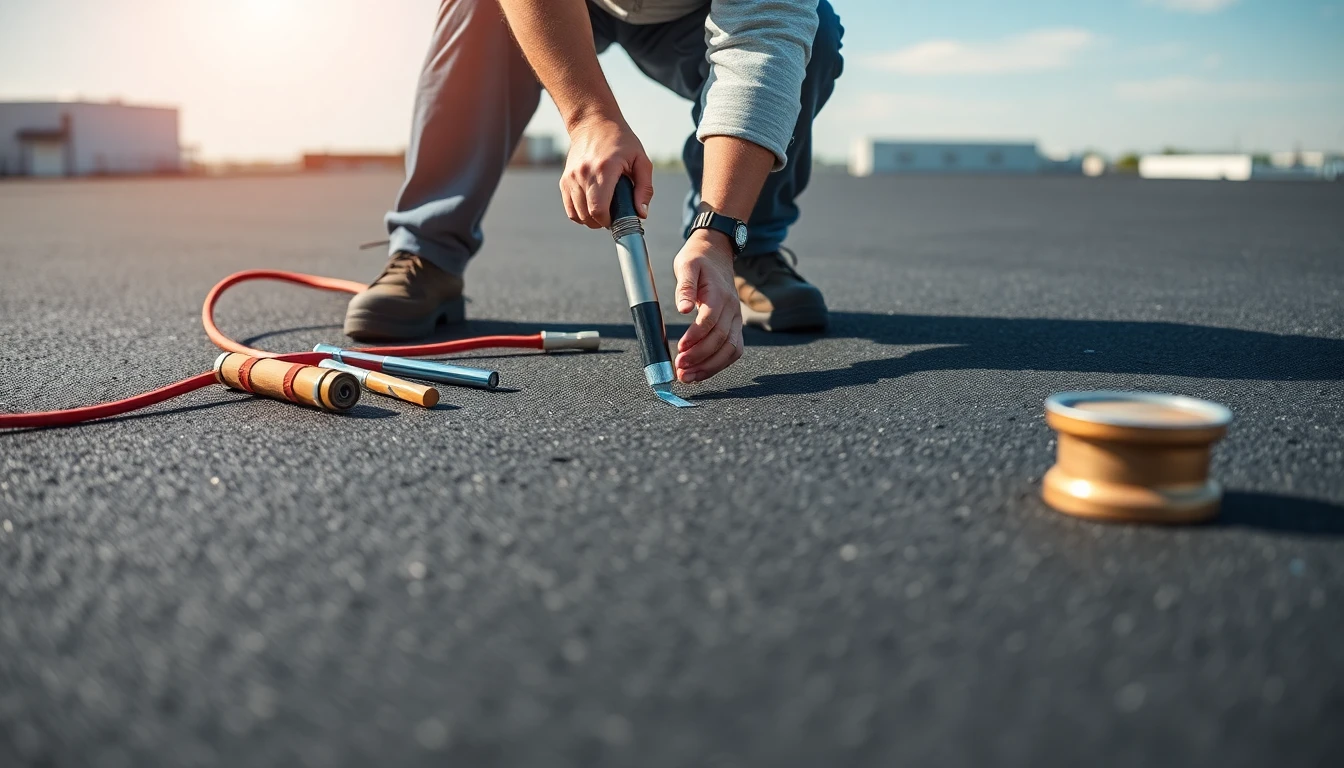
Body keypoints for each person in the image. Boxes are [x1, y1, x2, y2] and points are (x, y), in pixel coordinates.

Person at [344, 0, 843, 384]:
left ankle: (746, 248)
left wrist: (718, 231)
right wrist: (588, 117)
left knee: (814, 34)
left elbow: (765, 34)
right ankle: (428, 251)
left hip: (693, 15)